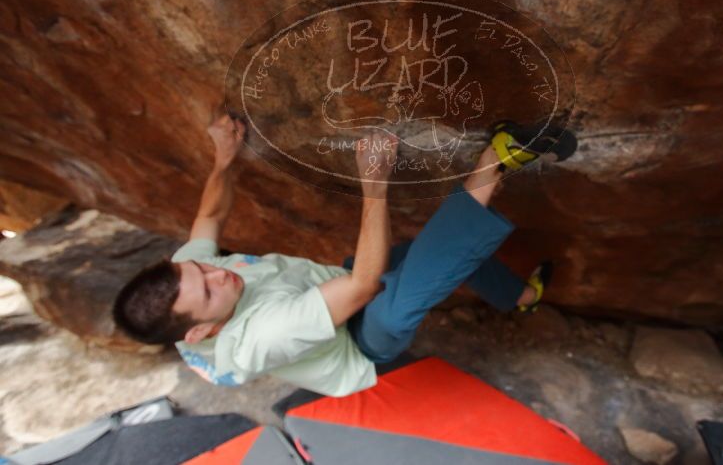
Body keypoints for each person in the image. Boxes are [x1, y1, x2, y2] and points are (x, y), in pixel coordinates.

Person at [113, 114, 564, 396]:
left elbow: (208, 217)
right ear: (204, 331)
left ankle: (523, 297)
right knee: (397, 304)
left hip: (330, 287)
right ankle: (495, 161)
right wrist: (374, 185)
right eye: (209, 294)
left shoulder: (188, 288)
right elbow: (362, 287)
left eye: (201, 268)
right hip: (356, 342)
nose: (220, 276)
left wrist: (223, 158)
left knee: (430, 257)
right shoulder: (259, 339)